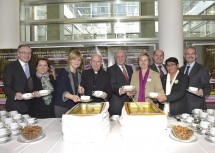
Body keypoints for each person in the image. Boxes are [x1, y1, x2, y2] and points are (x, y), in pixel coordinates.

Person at [3, 44, 35, 114]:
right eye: (23, 52)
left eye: (29, 53)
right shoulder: (10, 67)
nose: (27, 55)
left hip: (32, 107)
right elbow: (6, 87)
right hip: (15, 107)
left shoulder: (33, 67)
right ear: (18, 54)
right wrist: (15, 94)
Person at [180, 46, 211, 113]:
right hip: (181, 106)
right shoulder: (180, 69)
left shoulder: (203, 69)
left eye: (192, 53)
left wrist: (202, 92)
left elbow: (207, 87)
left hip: (197, 106)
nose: (190, 55)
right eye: (188, 53)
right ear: (184, 56)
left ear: (196, 55)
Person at [54, 50, 84, 118]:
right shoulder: (63, 72)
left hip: (73, 105)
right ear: (69, 60)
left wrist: (81, 90)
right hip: (62, 106)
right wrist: (72, 97)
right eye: (74, 59)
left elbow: (78, 87)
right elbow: (61, 89)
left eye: (79, 60)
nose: (76, 62)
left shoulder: (79, 73)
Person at [107, 50, 133, 116]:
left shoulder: (130, 68)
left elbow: (131, 83)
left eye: (122, 56)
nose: (120, 58)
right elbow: (112, 85)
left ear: (125, 58)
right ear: (115, 58)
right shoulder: (110, 69)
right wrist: (120, 90)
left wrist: (132, 91)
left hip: (129, 103)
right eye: (118, 57)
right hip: (117, 104)